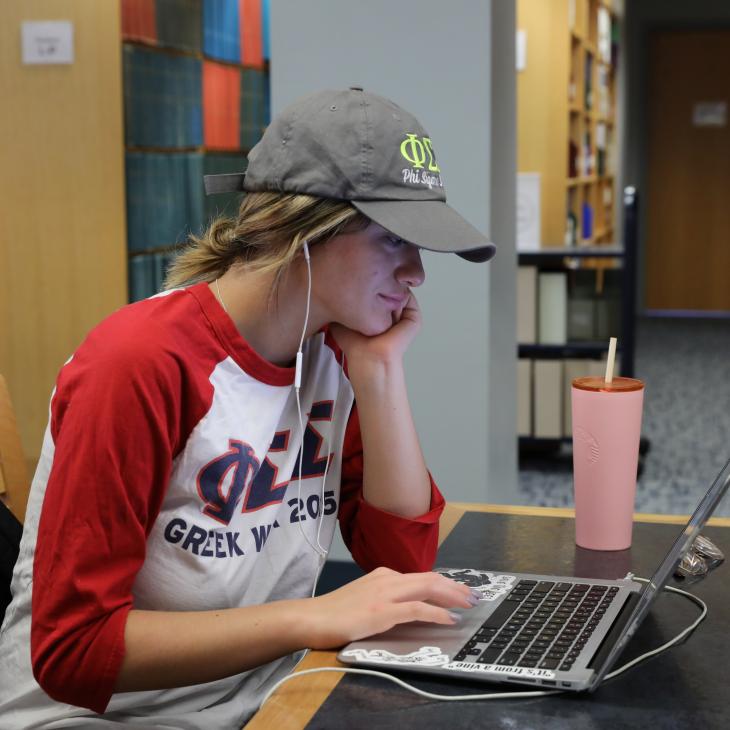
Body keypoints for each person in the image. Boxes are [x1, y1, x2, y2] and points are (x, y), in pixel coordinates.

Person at [0, 87, 496, 728]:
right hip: (94, 717)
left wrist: (380, 373)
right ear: (302, 229)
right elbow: (73, 649)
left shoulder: (334, 348)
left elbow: (400, 563)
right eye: (393, 239)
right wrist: (309, 617)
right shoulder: (138, 364)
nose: (416, 274)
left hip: (257, 693)